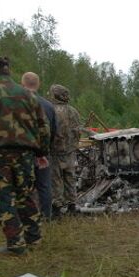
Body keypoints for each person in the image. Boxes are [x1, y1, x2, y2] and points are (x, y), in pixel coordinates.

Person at [0, 56, 50, 255]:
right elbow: (43, 128)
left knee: (4, 198)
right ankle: (34, 237)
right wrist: (41, 152)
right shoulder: (29, 95)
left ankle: (16, 244)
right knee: (25, 194)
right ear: (8, 72)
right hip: (25, 154)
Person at [21, 72, 58, 220]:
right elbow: (54, 131)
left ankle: (27, 218)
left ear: (22, 84)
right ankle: (46, 217)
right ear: (38, 84)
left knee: (23, 186)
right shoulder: (48, 106)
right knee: (44, 186)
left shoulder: (17, 103)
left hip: (23, 153)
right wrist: (45, 149)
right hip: (43, 153)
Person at [49, 84, 81, 215]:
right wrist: (73, 146)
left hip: (54, 152)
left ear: (54, 95)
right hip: (70, 151)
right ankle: (72, 206)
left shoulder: (50, 110)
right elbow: (78, 132)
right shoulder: (73, 111)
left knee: (55, 179)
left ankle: (57, 209)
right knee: (70, 178)